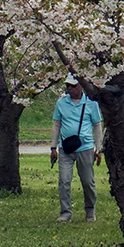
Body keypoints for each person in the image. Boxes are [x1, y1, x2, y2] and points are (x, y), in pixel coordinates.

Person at [50, 75, 103, 223]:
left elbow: (97, 126)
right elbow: (56, 124)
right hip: (66, 147)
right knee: (64, 180)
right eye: (68, 86)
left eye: (73, 86)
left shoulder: (91, 103)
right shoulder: (61, 103)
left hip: (85, 147)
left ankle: (90, 210)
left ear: (81, 86)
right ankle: (65, 212)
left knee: (87, 181)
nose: (70, 89)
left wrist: (98, 149)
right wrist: (53, 147)